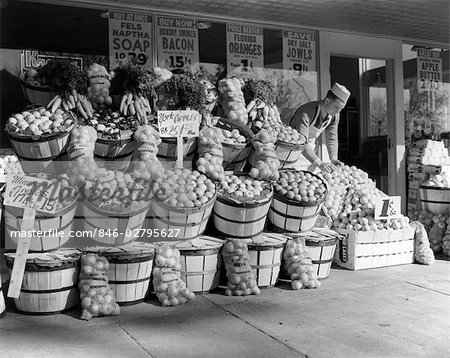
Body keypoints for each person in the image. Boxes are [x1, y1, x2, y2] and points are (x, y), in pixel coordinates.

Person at [289, 83, 351, 173]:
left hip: (311, 153)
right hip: (294, 152)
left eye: (341, 109)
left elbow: (332, 138)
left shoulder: (334, 115)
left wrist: (333, 158)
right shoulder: (306, 112)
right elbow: (302, 141)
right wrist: (319, 162)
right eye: (336, 107)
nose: (338, 111)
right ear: (327, 101)